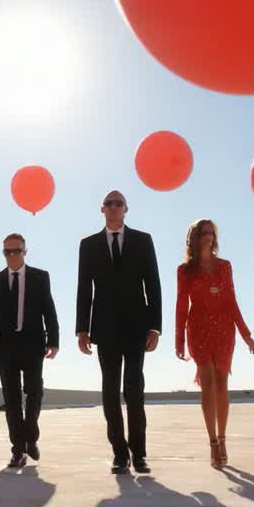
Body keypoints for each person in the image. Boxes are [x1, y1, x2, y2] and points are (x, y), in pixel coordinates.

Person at [76, 190, 162, 474]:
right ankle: (119, 454)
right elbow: (84, 289)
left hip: (137, 327)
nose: (114, 207)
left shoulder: (143, 240)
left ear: (126, 209)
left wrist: (154, 326)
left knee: (135, 390)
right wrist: (82, 329)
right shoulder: (88, 245)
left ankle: (139, 454)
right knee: (110, 392)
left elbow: (153, 284)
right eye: (109, 204)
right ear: (102, 209)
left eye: (119, 203)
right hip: (105, 329)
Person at [174, 219, 254, 469]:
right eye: (204, 233)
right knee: (207, 381)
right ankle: (212, 442)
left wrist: (245, 334)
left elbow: (231, 300)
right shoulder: (185, 270)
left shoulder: (224, 267)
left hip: (223, 328)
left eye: (212, 232)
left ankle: (222, 439)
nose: (209, 236)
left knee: (222, 383)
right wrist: (179, 339)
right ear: (195, 237)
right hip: (198, 327)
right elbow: (181, 305)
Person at [0, 233, 60, 469]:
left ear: (25, 251)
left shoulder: (39, 277)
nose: (12, 255)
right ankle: (18, 450)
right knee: (12, 399)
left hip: (34, 343)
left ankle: (30, 438)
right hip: (5, 348)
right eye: (7, 252)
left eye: (16, 250)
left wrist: (53, 341)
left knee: (34, 392)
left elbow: (49, 310)